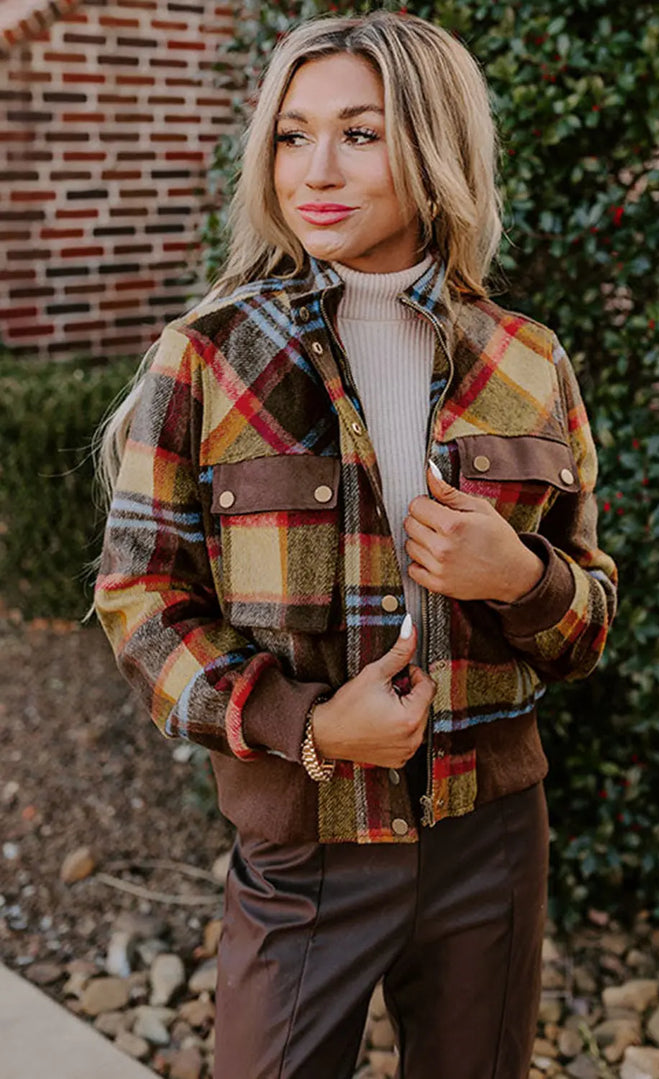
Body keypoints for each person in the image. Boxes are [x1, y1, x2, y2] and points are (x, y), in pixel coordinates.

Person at [94, 11, 618, 1079]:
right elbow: (140, 600)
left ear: (433, 150)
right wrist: (313, 723)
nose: (314, 169)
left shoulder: (527, 359)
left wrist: (519, 578)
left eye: (361, 134)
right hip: (305, 845)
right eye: (292, 135)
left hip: (492, 834)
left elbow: (590, 619)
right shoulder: (206, 358)